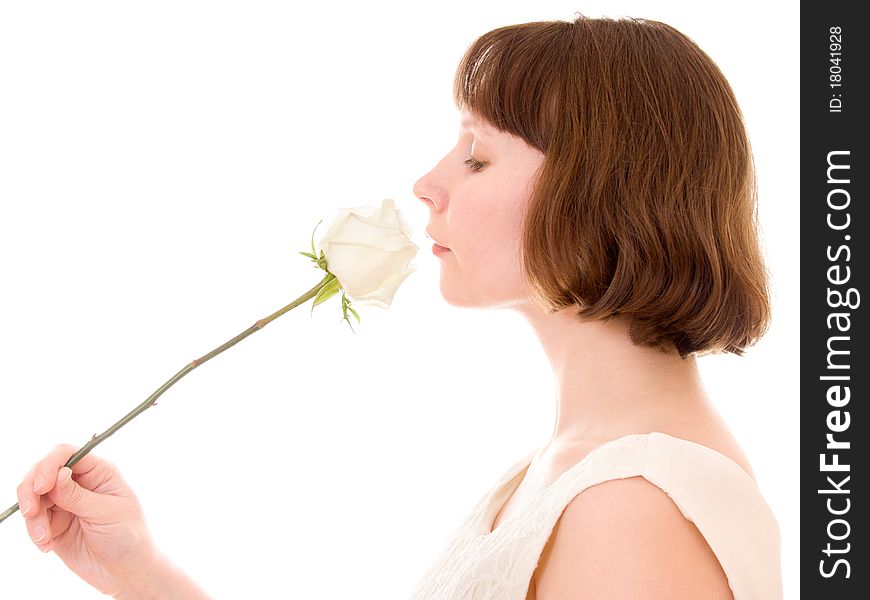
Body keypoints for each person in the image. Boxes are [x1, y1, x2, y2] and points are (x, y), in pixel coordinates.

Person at [17, 15, 782, 599]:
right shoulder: (569, 466)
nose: (428, 183)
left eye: (478, 156)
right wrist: (142, 572)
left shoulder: (637, 505)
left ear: (598, 195)